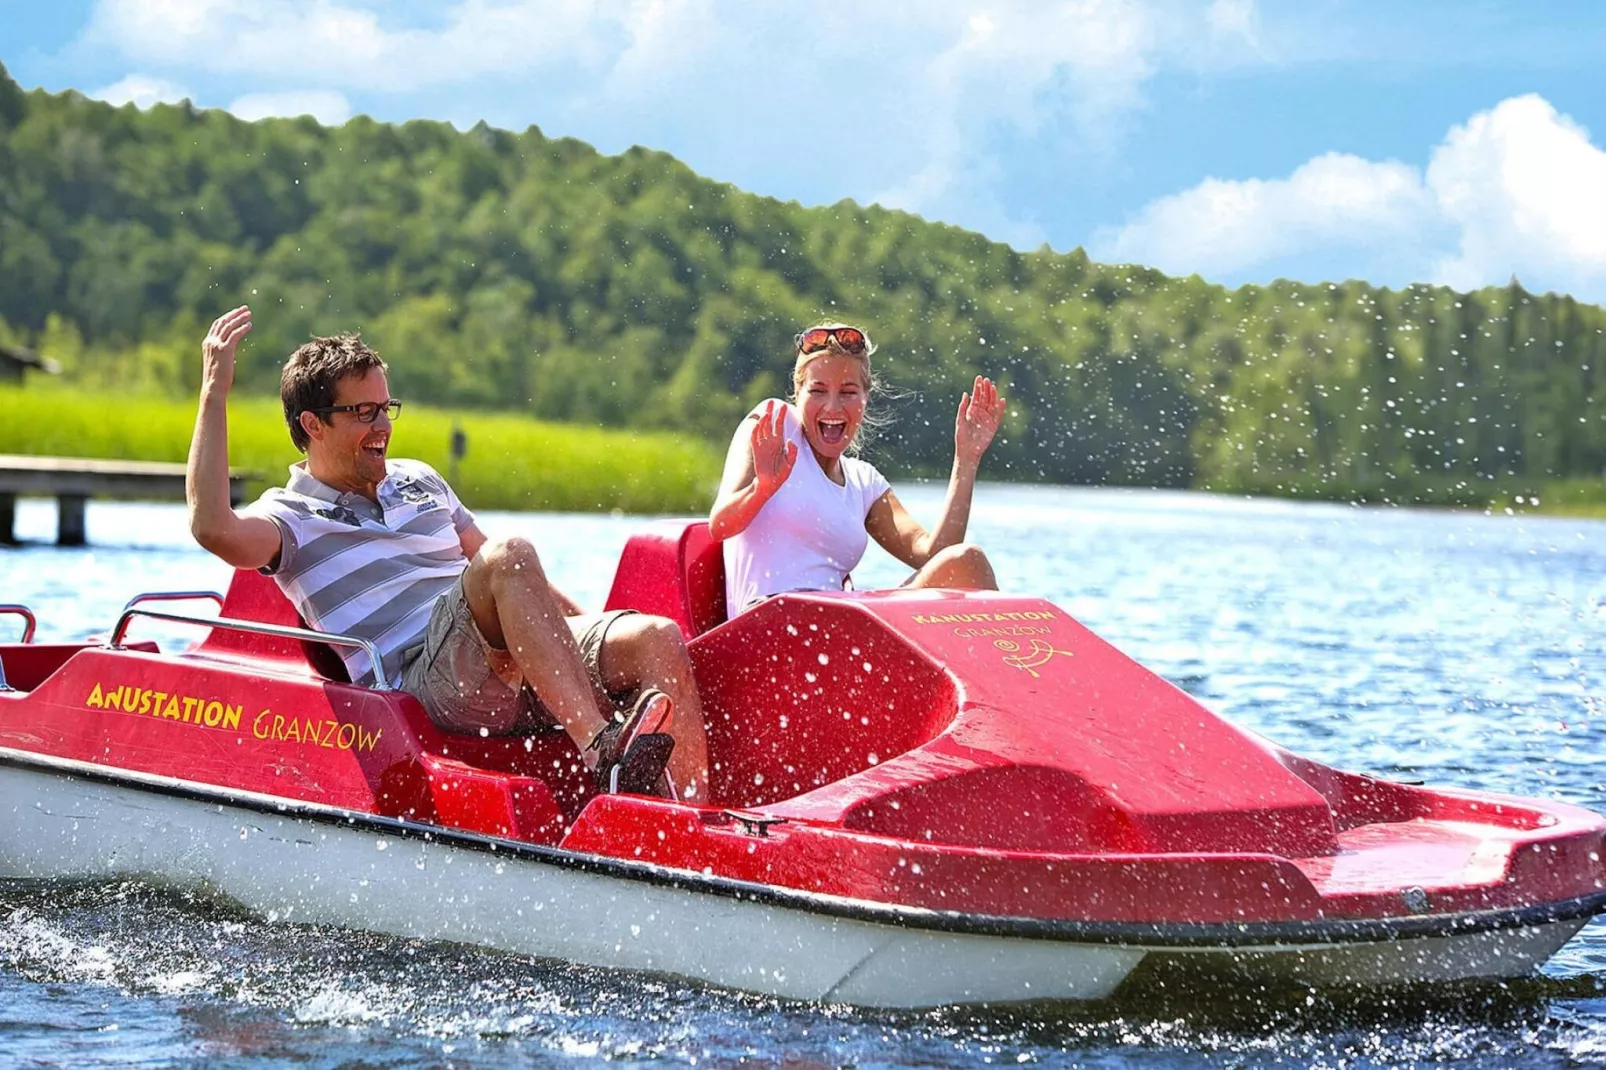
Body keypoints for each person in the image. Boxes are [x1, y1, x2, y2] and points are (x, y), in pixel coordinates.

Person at [184, 306, 709, 800]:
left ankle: (690, 828)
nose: (383, 427)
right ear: (312, 424)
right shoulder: (290, 517)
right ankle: (601, 751)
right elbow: (213, 528)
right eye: (363, 412)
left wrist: (582, 637)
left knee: (654, 638)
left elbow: (515, 585)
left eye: (386, 408)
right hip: (425, 684)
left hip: (504, 658)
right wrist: (213, 392)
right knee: (509, 555)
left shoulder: (420, 479)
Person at [709, 322, 1005, 612]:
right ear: (798, 393)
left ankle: (1015, 660)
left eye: (848, 392)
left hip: (836, 628)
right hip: (767, 624)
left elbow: (934, 555)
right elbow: (720, 526)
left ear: (865, 398)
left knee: (966, 561)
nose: (833, 406)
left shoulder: (864, 482)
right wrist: (762, 489)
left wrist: (966, 459)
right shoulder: (776, 425)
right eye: (818, 391)